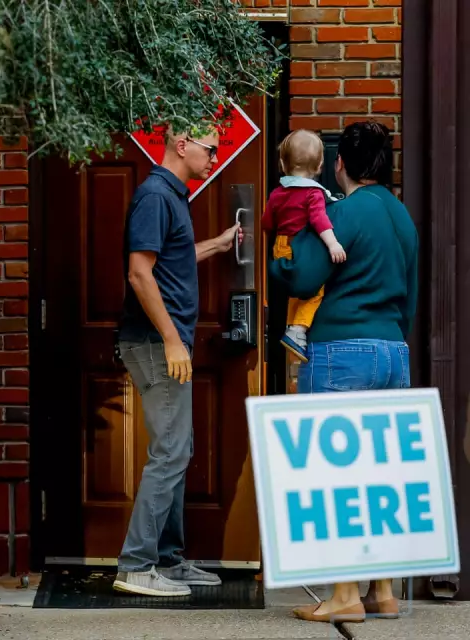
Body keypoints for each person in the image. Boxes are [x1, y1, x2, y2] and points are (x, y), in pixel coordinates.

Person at [269, 121, 419, 623]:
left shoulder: (344, 212)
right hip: (394, 350)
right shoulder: (402, 218)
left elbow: (306, 274)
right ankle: (383, 590)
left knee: (333, 476)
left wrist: (278, 260)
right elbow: (412, 295)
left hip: (341, 352)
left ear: (340, 164)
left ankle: (343, 596)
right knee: (378, 475)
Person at [113, 125, 243, 597]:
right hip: (154, 342)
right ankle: (136, 565)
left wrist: (218, 244)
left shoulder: (171, 196)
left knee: (177, 450)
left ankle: (167, 560)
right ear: (182, 144)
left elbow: (170, 259)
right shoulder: (154, 196)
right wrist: (171, 339)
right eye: (210, 148)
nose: (214, 156)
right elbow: (139, 272)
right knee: (170, 451)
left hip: (164, 342)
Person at [262, 129, 346, 362]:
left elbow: (267, 222)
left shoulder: (278, 193)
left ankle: (293, 331)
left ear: (282, 163)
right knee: (315, 289)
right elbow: (320, 220)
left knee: (293, 293)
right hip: (301, 247)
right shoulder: (313, 194)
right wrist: (333, 244)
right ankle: (298, 329)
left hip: (281, 245)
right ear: (320, 165)